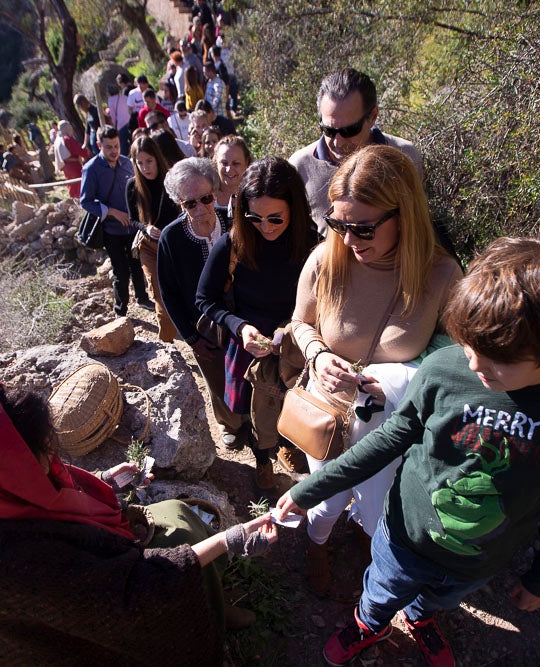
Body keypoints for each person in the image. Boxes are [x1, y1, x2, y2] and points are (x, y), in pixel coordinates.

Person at [278, 234, 540, 666]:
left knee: (439, 598)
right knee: (382, 589)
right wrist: (311, 489)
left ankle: (420, 618)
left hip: (479, 560)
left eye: (496, 359)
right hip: (403, 536)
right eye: (470, 347)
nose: (475, 365)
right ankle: (369, 623)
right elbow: (389, 438)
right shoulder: (445, 368)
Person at [0, 381, 277, 665]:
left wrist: (104, 482)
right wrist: (229, 540)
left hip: (81, 588)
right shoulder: (4, 566)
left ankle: (213, 603)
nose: (53, 458)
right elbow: (132, 594)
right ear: (8, 469)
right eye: (42, 452)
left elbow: (48, 504)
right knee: (186, 548)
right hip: (74, 642)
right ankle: (210, 614)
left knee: (179, 515)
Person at [284, 145, 462, 596]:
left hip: (395, 425)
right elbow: (300, 323)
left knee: (383, 505)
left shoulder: (441, 275)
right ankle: (317, 544)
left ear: (404, 214)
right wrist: (319, 357)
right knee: (326, 501)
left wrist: (400, 379)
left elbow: (454, 355)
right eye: (337, 224)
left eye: (363, 228)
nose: (348, 240)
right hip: (330, 412)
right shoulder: (327, 259)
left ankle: (374, 559)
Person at [195, 157, 318, 489]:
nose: (265, 227)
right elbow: (205, 299)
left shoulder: (311, 244)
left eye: (276, 217)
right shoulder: (234, 243)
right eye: (254, 217)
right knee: (253, 410)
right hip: (249, 348)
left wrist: (294, 329)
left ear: (295, 208)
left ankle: (289, 445)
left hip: (297, 346)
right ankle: (263, 461)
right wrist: (239, 326)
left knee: (295, 406)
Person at [157, 157, 247, 450]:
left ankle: (256, 422)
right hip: (203, 327)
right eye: (189, 203)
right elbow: (168, 292)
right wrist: (191, 337)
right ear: (180, 203)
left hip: (244, 318)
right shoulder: (171, 238)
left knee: (253, 374)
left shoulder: (234, 221)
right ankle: (229, 425)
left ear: (215, 190)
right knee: (216, 378)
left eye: (206, 198)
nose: (200, 208)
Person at [289, 68, 425, 235]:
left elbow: (416, 223)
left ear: (373, 116)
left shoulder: (405, 156)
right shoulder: (300, 166)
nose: (337, 141)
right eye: (328, 130)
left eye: (349, 130)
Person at [80, 126, 154, 316]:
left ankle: (142, 299)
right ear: (99, 146)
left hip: (132, 228)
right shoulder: (91, 169)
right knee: (120, 271)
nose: (113, 151)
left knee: (137, 264)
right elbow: (86, 201)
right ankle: (120, 310)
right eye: (108, 147)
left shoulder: (127, 164)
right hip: (111, 230)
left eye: (116, 146)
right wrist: (111, 212)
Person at [127, 135, 180, 341]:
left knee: (180, 293)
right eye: (140, 163)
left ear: (157, 158)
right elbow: (132, 219)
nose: (145, 167)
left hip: (174, 246)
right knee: (159, 296)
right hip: (148, 246)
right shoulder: (133, 186)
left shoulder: (171, 181)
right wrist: (145, 227)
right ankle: (167, 345)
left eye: (149, 161)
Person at [53, 120, 90, 198]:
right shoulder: (67, 139)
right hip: (73, 165)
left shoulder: (58, 139)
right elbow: (79, 151)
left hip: (66, 166)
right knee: (78, 184)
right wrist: (85, 151)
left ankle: (74, 200)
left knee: (72, 184)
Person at [213, 135, 251, 207]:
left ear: (247, 163)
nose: (229, 169)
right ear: (216, 163)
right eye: (224, 163)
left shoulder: (254, 199)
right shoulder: (206, 198)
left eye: (236, 163)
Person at [108, 74, 134, 155]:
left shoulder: (111, 100)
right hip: (130, 121)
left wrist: (113, 126)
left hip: (121, 125)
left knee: (123, 145)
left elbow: (112, 115)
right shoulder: (123, 96)